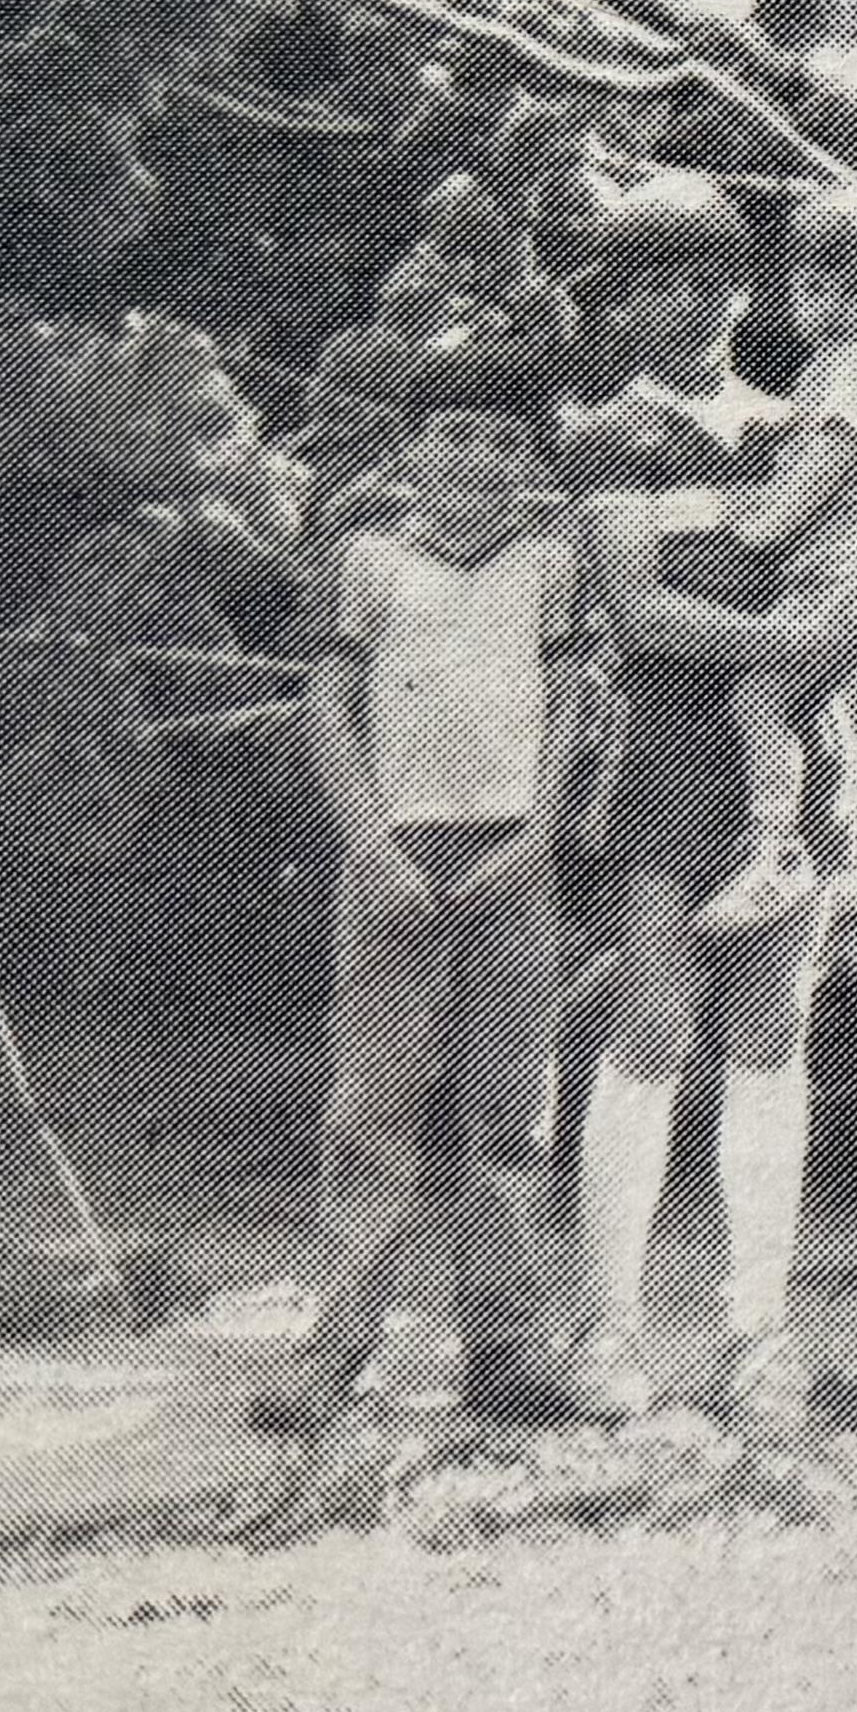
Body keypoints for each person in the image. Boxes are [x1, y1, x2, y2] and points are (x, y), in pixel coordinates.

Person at [550, 177, 857, 1436]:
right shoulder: (610, 436)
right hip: (672, 758)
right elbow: (640, 611)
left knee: (771, 1031)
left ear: (751, 291)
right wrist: (800, 633)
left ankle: (756, 1331)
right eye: (648, 285)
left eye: (707, 281)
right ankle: (611, 1324)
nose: (682, 308)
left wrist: (828, 648)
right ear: (617, 305)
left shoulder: (809, 416)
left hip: (790, 745)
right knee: (650, 1022)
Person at [254, 331, 592, 1435]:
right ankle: (338, 1346)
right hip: (393, 858)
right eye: (454, 434)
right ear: (410, 446)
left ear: (533, 455)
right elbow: (328, 706)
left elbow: (569, 707)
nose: (478, 460)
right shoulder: (370, 558)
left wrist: (539, 835)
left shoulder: (551, 560)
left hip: (510, 862)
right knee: (373, 1107)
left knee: (509, 1108)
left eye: (505, 441)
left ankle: (506, 1348)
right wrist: (369, 845)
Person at [683, 182, 857, 949]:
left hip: (843, 578)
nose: (830, 305)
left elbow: (827, 459)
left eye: (854, 291)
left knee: (758, 692)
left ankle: (774, 851)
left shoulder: (854, 367)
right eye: (815, 288)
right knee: (811, 707)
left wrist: (760, 527)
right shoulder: (846, 364)